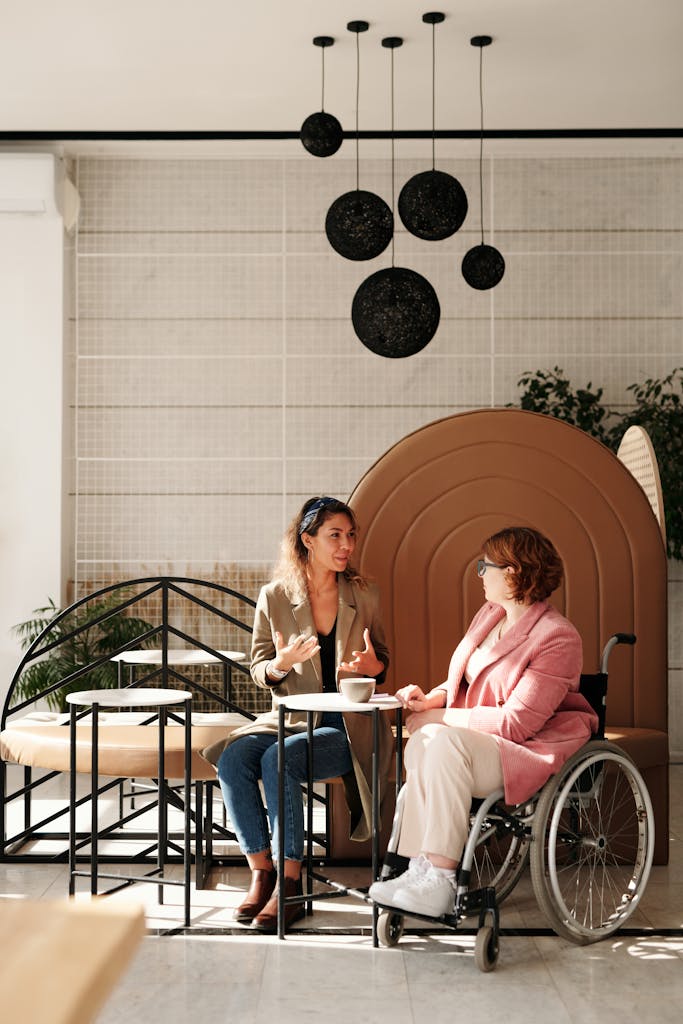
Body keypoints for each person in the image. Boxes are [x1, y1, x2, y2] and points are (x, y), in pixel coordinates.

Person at [369, 525, 598, 919]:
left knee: (440, 740)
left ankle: (441, 877)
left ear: (513, 572)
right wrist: (433, 697)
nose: (480, 573)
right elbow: (467, 680)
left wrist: (438, 717)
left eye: (484, 566)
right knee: (422, 742)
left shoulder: (557, 637)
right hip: (476, 740)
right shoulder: (491, 615)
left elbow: (516, 724)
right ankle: (421, 866)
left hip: (524, 749)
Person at [203, 496, 391, 932]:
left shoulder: (364, 594)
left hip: (347, 726)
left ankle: (292, 882)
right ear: (308, 540)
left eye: (351, 535)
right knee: (233, 759)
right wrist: (281, 664)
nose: (347, 545)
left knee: (278, 760)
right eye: (335, 536)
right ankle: (261, 871)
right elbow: (258, 668)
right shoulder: (274, 597)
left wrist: (372, 667)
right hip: (287, 719)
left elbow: (380, 659)